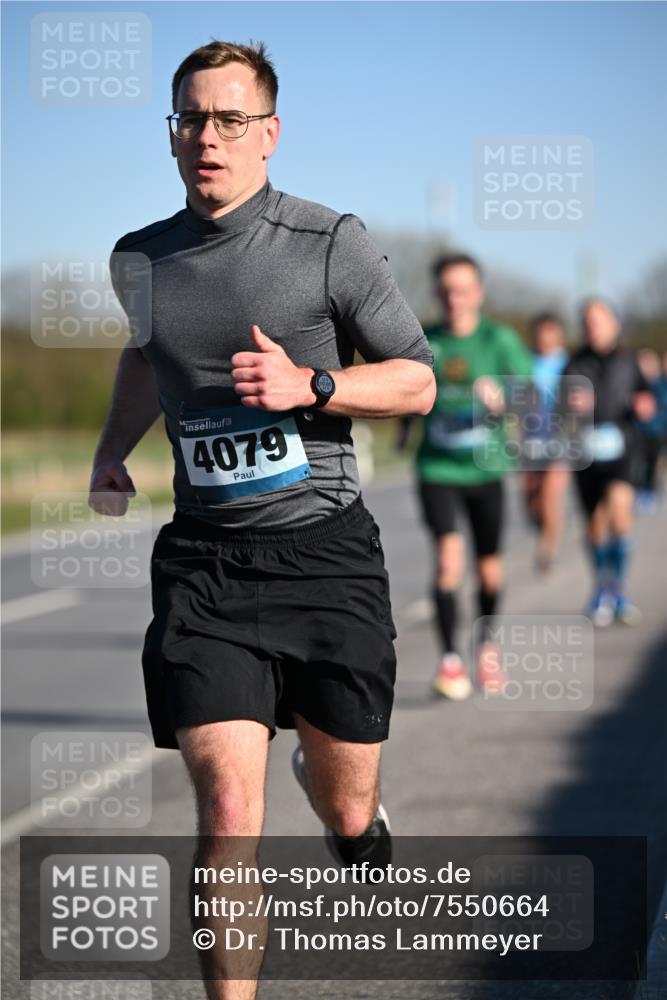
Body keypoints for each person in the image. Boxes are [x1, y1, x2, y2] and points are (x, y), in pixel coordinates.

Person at [88, 40, 435, 1000]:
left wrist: (310, 384)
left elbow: (415, 378)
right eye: (190, 119)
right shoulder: (140, 259)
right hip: (205, 565)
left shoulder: (331, 242)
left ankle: (353, 824)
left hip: (325, 556)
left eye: (230, 119)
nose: (208, 137)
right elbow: (140, 356)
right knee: (226, 809)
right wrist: (110, 449)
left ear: (269, 133)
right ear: (171, 134)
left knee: (345, 792)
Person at [399, 254, 532, 700]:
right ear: (437, 294)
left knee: (489, 570)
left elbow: (535, 406)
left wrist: (505, 403)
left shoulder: (500, 341)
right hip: (437, 467)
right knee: (447, 561)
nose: (454, 299)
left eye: (462, 290)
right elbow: (403, 391)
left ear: (479, 293)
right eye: (446, 291)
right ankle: (450, 660)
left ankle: (487, 646)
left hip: (487, 470)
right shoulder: (424, 342)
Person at [564, 298, 655, 626]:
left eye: (599, 320)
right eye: (588, 321)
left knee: (620, 514)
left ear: (614, 324)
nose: (594, 326)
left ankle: (620, 588)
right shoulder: (573, 362)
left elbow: (647, 398)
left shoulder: (630, 361)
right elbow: (559, 408)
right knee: (595, 526)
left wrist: (645, 405)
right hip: (587, 452)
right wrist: (572, 405)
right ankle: (601, 586)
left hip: (623, 447)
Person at [521, 312, 571, 573]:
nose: (544, 338)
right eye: (540, 333)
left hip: (559, 438)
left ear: (559, 335)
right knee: (532, 501)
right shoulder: (525, 361)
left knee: (552, 496)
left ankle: (547, 551)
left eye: (550, 332)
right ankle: (542, 527)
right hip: (530, 438)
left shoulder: (568, 363)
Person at [634, 348, 667, 512]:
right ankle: (641, 490)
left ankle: (651, 490)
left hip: (658, 431)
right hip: (640, 431)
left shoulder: (661, 384)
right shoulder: (640, 383)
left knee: (654, 462)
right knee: (640, 462)